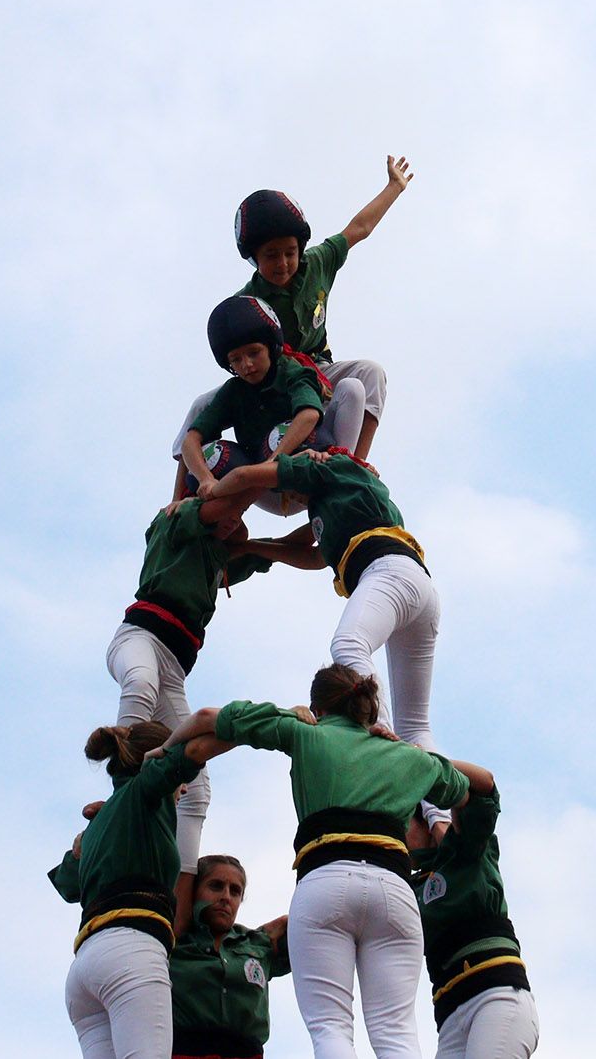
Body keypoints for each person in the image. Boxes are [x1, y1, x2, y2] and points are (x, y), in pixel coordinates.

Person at [150, 664, 481, 1059]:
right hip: (394, 890)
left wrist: (164, 749)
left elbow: (207, 719)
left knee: (332, 1029)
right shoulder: (407, 757)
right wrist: (406, 753)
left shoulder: (304, 731)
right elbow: (471, 791)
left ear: (317, 707)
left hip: (326, 880)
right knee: (396, 1033)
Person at [204, 450, 441, 787]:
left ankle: (380, 736)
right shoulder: (332, 500)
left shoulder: (326, 467)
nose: (289, 500)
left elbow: (244, 477)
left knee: (348, 644)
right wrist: (251, 547)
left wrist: (209, 488)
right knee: (416, 724)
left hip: (389, 571)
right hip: (413, 584)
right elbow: (316, 556)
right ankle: (439, 821)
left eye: (285, 491)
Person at [106, 489, 272, 935]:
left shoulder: (221, 557)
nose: (236, 524)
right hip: (138, 638)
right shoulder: (180, 521)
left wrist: (252, 546)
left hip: (174, 670)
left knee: (195, 789)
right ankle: (121, 796)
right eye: (231, 519)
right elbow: (220, 497)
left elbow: (303, 550)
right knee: (138, 684)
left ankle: (176, 921)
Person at [176, 157, 410, 468]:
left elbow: (359, 228)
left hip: (315, 371)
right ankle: (186, 499)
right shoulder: (246, 302)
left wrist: (394, 187)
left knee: (370, 374)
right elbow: (232, 351)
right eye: (271, 256)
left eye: (290, 253)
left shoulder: (318, 263)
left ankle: (352, 467)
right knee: (199, 406)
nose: (283, 263)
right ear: (254, 259)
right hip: (270, 383)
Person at [57, 721, 209, 1059]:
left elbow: (69, 885)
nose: (183, 790)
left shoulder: (101, 821)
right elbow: (193, 753)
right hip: (130, 952)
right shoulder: (145, 791)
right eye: (181, 783)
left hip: (84, 968)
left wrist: (80, 846)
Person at [174, 295, 365, 515]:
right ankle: (205, 523)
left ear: (271, 347)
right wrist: (204, 479)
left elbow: (309, 414)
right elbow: (190, 440)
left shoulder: (291, 370)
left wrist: (276, 462)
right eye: (236, 359)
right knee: (214, 455)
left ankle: (346, 472)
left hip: (304, 468)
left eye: (254, 353)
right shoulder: (233, 390)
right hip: (259, 486)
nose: (246, 365)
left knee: (353, 388)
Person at [407, 773, 539, 1058]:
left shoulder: (467, 851)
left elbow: (484, 786)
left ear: (426, 824)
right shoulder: (408, 890)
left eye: (404, 821)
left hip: (494, 997)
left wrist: (422, 765)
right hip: (451, 1017)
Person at [168, 854, 291, 1059]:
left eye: (235, 891)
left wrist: (292, 921)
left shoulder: (258, 944)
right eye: (215, 886)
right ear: (193, 892)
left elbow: (319, 930)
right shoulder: (171, 941)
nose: (226, 897)